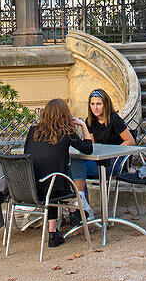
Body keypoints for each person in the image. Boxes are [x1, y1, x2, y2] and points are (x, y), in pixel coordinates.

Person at [23, 98, 93, 248]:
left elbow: (26, 154)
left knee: (51, 181)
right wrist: (82, 125)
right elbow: (88, 149)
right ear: (65, 115)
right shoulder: (66, 132)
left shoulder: (33, 131)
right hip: (54, 189)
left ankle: (54, 230)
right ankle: (74, 212)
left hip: (30, 189)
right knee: (55, 181)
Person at [70, 89, 135, 219]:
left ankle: (84, 208)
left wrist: (112, 152)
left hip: (115, 162)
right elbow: (91, 146)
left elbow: (130, 141)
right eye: (92, 104)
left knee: (78, 170)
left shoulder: (115, 120)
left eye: (98, 104)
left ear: (105, 104)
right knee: (73, 168)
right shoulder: (90, 121)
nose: (95, 107)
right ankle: (85, 206)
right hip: (97, 161)